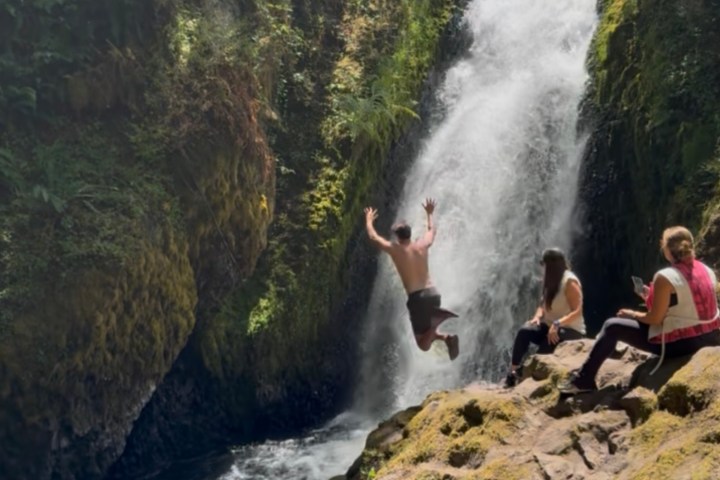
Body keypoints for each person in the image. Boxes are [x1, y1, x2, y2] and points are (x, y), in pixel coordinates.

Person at [559, 226, 720, 394]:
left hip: (683, 344)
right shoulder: (706, 270)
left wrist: (632, 314)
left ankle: (584, 380)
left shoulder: (665, 277)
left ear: (666, 250)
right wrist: (651, 296)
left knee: (612, 326)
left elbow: (655, 319)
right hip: (711, 337)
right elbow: (688, 301)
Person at [364, 198, 460, 360]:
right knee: (426, 332)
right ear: (410, 233)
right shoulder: (422, 244)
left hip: (418, 299)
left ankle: (439, 320)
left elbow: (373, 237)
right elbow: (432, 230)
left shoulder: (395, 249)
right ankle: (446, 338)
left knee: (422, 345)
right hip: (433, 294)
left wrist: (368, 220)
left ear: (396, 237)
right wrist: (429, 214)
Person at [504, 247, 586, 387]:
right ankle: (513, 370)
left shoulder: (570, 282)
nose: (542, 268)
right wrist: (537, 317)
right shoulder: (550, 280)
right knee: (525, 331)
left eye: (544, 265)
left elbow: (577, 311)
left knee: (549, 339)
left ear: (550, 265)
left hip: (571, 330)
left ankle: (524, 374)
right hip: (550, 327)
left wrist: (557, 323)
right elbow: (542, 305)